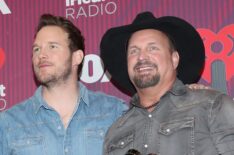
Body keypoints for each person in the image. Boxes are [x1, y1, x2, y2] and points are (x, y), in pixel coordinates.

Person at [100, 11, 234, 155]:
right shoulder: (115, 132)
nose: (141, 57)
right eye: (134, 51)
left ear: (174, 59)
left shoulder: (212, 106)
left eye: (153, 48)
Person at [0, 14, 128, 155]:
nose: (41, 55)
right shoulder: (9, 123)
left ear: (76, 57)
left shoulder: (113, 112)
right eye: (36, 49)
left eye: (52, 47)